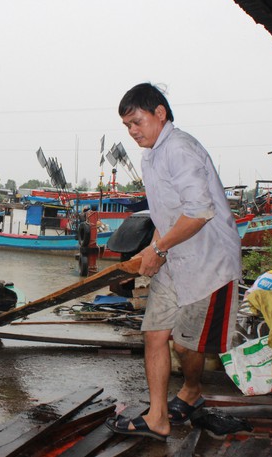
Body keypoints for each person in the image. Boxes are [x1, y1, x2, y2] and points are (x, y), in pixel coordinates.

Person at [107, 83, 242, 440]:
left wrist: (159, 250)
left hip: (207, 263)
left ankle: (192, 391)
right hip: (174, 258)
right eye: (127, 127)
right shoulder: (150, 155)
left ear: (160, 114)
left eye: (137, 122)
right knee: (154, 335)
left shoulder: (179, 148)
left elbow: (199, 212)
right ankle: (158, 417)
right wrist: (150, 249)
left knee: (186, 345)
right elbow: (169, 214)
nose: (133, 132)